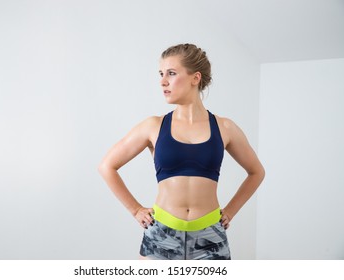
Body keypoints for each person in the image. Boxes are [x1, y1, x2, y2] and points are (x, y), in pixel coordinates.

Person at [98, 43, 265, 260]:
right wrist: (135, 209)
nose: (163, 81)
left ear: (195, 78)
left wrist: (231, 210)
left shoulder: (225, 128)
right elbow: (107, 166)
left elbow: (256, 172)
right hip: (161, 234)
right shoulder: (153, 126)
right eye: (161, 74)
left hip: (210, 236)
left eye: (171, 73)